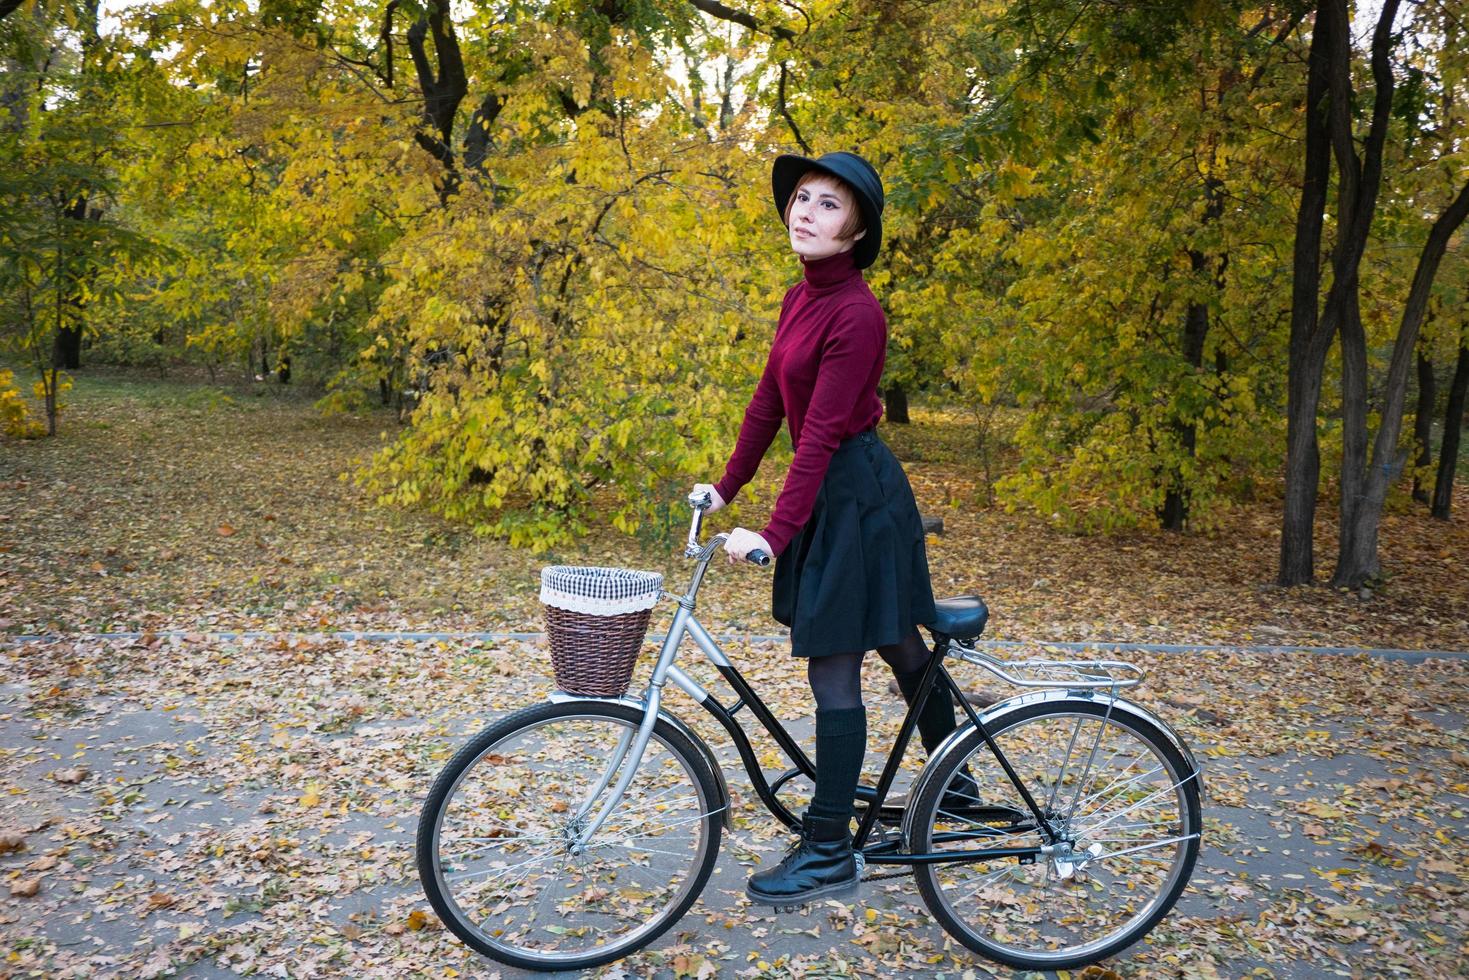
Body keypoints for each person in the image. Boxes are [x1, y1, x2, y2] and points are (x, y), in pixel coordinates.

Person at [692, 151, 967, 907]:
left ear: (855, 232)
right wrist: (725, 486)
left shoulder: (857, 313)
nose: (806, 212)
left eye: (829, 205)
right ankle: (960, 777)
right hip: (834, 491)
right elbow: (767, 404)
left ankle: (825, 853)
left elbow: (816, 436)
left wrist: (775, 534)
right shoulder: (797, 299)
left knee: (837, 664)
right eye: (801, 199)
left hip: (858, 497)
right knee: (896, 640)